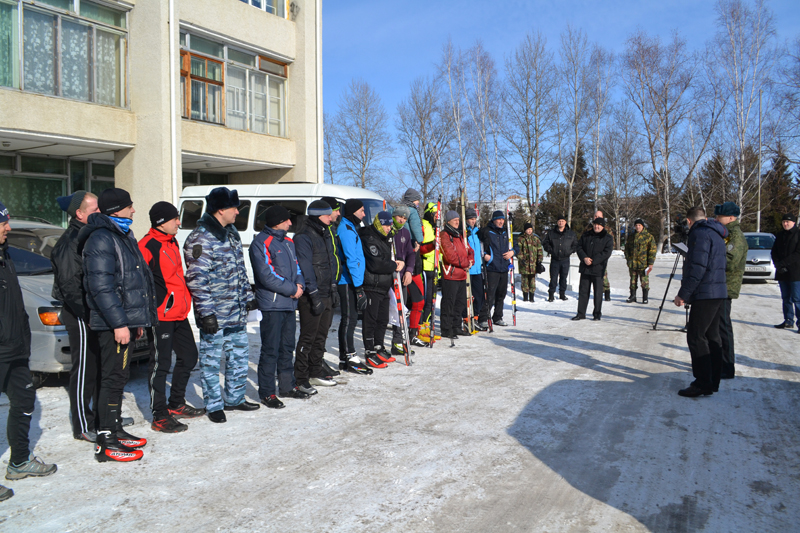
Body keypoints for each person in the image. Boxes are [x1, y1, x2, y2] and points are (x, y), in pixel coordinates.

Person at [79, 188, 156, 461]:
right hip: (111, 325)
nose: (134, 210)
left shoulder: (122, 235)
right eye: (130, 206)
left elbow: (134, 281)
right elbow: (101, 288)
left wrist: (134, 321)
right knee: (112, 378)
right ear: (116, 210)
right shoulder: (101, 239)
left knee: (119, 378)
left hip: (124, 322)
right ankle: (105, 439)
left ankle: (114, 427)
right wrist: (119, 323)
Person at [184, 187, 259, 424]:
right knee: (211, 359)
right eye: (234, 208)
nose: (238, 212)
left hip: (235, 312)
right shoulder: (201, 238)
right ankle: (214, 404)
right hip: (214, 315)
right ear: (221, 210)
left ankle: (235, 398)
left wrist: (248, 297)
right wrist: (206, 314)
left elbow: (239, 270)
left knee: (238, 356)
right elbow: (197, 279)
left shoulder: (231, 233)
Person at [0, 201, 57, 501]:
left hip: (15, 348)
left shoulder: (5, 255)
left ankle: (19, 461)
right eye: (2, 223)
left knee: (24, 402)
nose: (8, 228)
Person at [138, 202, 205, 433]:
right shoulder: (147, 245)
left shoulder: (172, 241)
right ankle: (159, 415)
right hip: (160, 316)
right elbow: (137, 283)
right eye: (174, 218)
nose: (178, 222)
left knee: (189, 356)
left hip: (178, 314)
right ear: (161, 222)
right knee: (161, 364)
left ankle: (175, 403)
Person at [51, 191, 101, 443]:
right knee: (84, 370)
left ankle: (102, 419)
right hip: (80, 313)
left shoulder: (89, 234)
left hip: (94, 313)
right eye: (94, 210)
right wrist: (88, 315)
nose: (100, 213)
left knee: (100, 366)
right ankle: (82, 425)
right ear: (79, 214)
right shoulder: (70, 241)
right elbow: (71, 286)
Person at [250, 205, 309, 409]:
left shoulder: (289, 242)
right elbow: (266, 275)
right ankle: (267, 392)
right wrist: (292, 289)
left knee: (287, 347)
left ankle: (287, 385)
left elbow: (297, 267)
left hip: (289, 304)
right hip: (273, 304)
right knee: (270, 349)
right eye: (287, 220)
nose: (290, 223)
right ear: (277, 221)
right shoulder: (261, 243)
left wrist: (300, 284)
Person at [673, 207, 728, 397]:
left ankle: (702, 382)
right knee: (712, 336)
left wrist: (683, 294)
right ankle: (712, 381)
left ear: (689, 221)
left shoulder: (699, 234)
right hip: (717, 290)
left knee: (696, 336)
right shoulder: (714, 232)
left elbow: (697, 268)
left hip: (706, 291)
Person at [294, 200, 339, 394]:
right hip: (312, 294)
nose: (331, 217)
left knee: (321, 336)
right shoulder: (304, 236)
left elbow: (330, 262)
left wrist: (333, 288)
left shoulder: (324, 233)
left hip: (327, 291)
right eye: (328, 214)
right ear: (318, 215)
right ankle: (301, 377)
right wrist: (313, 294)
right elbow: (306, 268)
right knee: (308, 337)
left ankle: (315, 370)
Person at [360, 211, 404, 367]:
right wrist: (394, 265)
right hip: (372, 284)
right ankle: (369, 351)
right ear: (378, 223)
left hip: (384, 285)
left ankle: (378, 346)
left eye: (389, 224)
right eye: (385, 224)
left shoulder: (386, 238)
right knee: (370, 320)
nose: (388, 228)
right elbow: (375, 263)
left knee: (383, 319)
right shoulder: (369, 238)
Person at [336, 199, 372, 374]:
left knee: (349, 319)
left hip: (353, 280)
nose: (364, 214)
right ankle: (349, 355)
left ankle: (345, 357)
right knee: (349, 319)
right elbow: (351, 259)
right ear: (352, 211)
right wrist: (358, 288)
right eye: (361, 211)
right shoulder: (346, 229)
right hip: (347, 281)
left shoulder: (350, 227)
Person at [714, 202, 747, 379]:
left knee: (723, 327)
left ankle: (727, 366)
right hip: (719, 285)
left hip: (726, 286)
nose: (717, 219)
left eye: (720, 217)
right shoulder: (726, 233)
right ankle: (720, 362)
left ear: (731, 218)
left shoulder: (735, 236)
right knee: (718, 326)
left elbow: (730, 261)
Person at [390, 205, 424, 354]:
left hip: (402, 277)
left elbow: (410, 254)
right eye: (400, 217)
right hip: (389, 277)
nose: (402, 220)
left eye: (405, 218)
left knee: (401, 310)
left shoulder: (405, 232)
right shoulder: (388, 231)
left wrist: (409, 271)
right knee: (389, 311)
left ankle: (398, 341)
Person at [440, 211, 474, 340]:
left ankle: (456, 327)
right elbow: (450, 256)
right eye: (454, 219)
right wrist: (465, 263)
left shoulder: (460, 235)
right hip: (451, 274)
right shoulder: (445, 235)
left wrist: (470, 260)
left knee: (460, 303)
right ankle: (446, 328)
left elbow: (470, 250)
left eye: (458, 219)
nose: (456, 221)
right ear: (448, 221)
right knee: (449, 303)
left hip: (462, 274)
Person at [478, 210, 514, 328]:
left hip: (504, 267)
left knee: (501, 294)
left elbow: (515, 246)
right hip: (492, 268)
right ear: (493, 220)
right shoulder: (487, 231)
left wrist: (512, 252)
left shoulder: (506, 232)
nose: (501, 221)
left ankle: (498, 317)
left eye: (502, 219)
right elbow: (479, 244)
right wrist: (485, 256)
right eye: (499, 219)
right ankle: (483, 318)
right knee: (490, 294)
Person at [573, 218, 613, 321]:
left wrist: (594, 261)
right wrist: (584, 258)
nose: (596, 226)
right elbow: (579, 247)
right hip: (585, 268)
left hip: (598, 269)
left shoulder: (607, 238)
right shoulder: (586, 235)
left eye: (599, 225)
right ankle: (581, 313)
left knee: (598, 293)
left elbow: (606, 253)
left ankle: (597, 314)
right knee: (583, 292)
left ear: (603, 226)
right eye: (595, 224)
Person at [771, 213, 800, 332]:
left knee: (797, 298)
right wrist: (778, 265)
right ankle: (788, 320)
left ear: (794, 223)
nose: (785, 224)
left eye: (788, 222)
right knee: (786, 298)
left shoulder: (798, 235)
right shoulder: (780, 235)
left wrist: (783, 264)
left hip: (795, 272)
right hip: (782, 273)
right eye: (783, 222)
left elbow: (798, 254)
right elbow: (774, 252)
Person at [542, 215, 577, 302]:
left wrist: (570, 251)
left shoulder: (571, 233)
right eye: (559, 221)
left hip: (565, 259)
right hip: (555, 259)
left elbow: (575, 244)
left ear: (565, 222)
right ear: (557, 222)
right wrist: (551, 250)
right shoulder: (551, 233)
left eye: (562, 221)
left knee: (563, 277)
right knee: (553, 278)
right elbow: (545, 243)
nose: (561, 222)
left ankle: (562, 294)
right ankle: (551, 294)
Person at [464, 208, 487, 330]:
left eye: (474, 219)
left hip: (478, 270)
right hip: (468, 270)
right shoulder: (464, 232)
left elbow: (485, 248)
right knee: (467, 297)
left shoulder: (478, 232)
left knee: (479, 296)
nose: (473, 221)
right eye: (471, 219)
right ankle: (466, 319)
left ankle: (476, 318)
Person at [624, 218, 657, 304]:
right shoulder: (631, 237)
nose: (638, 227)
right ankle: (633, 296)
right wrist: (628, 259)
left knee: (644, 281)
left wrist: (650, 263)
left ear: (643, 226)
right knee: (633, 281)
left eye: (639, 225)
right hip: (633, 264)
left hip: (643, 264)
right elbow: (626, 249)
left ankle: (645, 297)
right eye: (636, 225)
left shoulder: (648, 237)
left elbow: (652, 251)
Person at [419, 202, 439, 328]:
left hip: (435, 268)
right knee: (425, 300)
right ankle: (421, 325)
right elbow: (419, 248)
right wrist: (432, 244)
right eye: (435, 214)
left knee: (432, 300)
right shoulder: (423, 226)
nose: (437, 217)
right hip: (425, 268)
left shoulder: (435, 228)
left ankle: (427, 323)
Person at [517, 222, 544, 303]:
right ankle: (525, 296)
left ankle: (532, 297)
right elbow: (518, 250)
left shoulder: (536, 239)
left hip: (533, 264)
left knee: (532, 280)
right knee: (525, 281)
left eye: (531, 229)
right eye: (528, 229)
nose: (529, 231)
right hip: (524, 264)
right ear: (525, 230)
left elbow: (540, 250)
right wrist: (521, 258)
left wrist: (539, 260)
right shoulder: (521, 239)